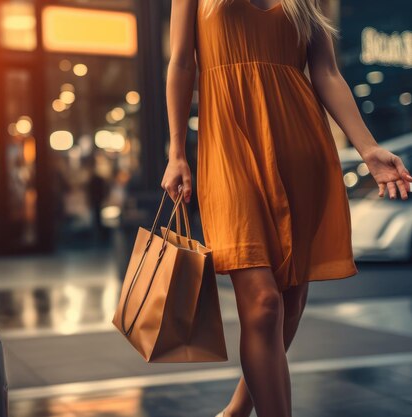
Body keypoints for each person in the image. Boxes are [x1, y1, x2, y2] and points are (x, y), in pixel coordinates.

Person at [161, 1, 412, 416]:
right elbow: (181, 64)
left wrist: (368, 149)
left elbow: (327, 73)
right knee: (264, 302)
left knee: (289, 303)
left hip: (302, 148)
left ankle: (238, 409)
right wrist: (176, 151)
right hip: (229, 146)